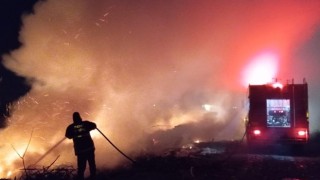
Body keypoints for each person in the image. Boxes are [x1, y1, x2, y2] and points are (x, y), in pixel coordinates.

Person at [65, 112, 97, 180]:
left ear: (73, 118)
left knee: (81, 168)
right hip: (89, 149)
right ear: (80, 117)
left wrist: (74, 134)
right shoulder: (86, 124)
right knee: (92, 165)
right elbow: (94, 125)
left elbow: (67, 135)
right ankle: (93, 177)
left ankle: (81, 178)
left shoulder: (71, 127)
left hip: (80, 151)